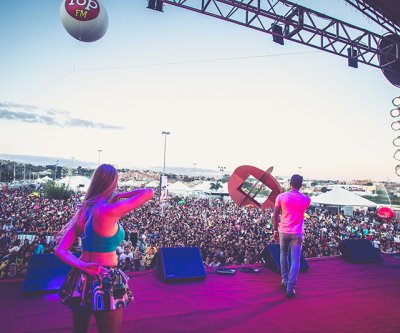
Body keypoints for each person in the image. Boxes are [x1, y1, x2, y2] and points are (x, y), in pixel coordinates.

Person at [55, 164, 154, 333]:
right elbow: (149, 193)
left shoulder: (84, 211)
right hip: (105, 277)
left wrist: (83, 266)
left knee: (79, 330)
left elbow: (60, 250)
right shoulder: (108, 210)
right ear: (112, 184)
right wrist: (120, 195)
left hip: (80, 277)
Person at [273, 174, 311, 298]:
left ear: (290, 183)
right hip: (297, 232)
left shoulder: (281, 197)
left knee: (283, 255)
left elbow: (275, 215)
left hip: (283, 230)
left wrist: (275, 230)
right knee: (295, 260)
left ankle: (284, 280)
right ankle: (291, 287)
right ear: (301, 185)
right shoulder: (306, 199)